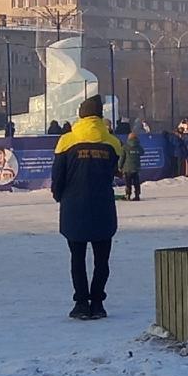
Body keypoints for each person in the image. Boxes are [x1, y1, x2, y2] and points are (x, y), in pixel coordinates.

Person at [52, 95, 124, 320]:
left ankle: (81, 303)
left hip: (74, 206)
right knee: (102, 259)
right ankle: (98, 303)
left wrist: (59, 195)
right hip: (102, 205)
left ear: (81, 115)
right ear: (100, 116)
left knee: (77, 258)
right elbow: (115, 170)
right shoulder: (112, 142)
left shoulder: (66, 140)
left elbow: (58, 176)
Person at [120, 124, 143, 200]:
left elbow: (122, 157)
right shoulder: (138, 146)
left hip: (127, 168)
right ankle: (137, 195)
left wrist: (119, 166)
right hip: (136, 168)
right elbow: (142, 152)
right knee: (136, 183)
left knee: (128, 183)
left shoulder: (125, 147)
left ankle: (128, 195)